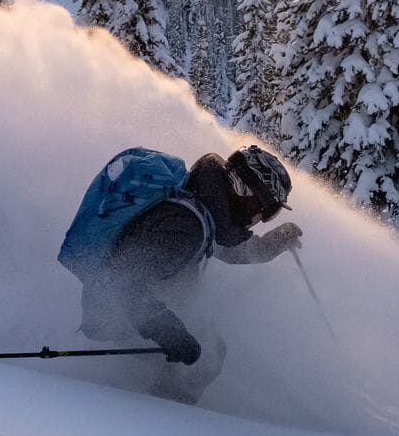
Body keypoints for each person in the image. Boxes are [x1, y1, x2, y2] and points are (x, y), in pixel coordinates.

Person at [75, 145, 302, 401]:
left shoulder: (203, 204)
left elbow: (234, 251)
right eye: (267, 210)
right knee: (205, 357)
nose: (261, 219)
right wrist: (167, 330)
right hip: (115, 312)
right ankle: (163, 416)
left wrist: (276, 242)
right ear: (245, 192)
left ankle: (162, 403)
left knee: (208, 350)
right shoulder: (187, 226)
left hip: (146, 305)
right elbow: (123, 278)